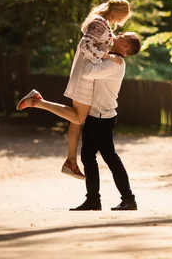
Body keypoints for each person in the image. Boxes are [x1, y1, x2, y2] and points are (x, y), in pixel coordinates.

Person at [16, 0, 131, 180]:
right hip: (85, 74)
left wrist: (105, 56)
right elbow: (85, 45)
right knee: (79, 117)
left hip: (87, 73)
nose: (120, 22)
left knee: (76, 120)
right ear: (116, 12)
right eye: (121, 17)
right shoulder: (99, 23)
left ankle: (71, 162)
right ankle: (37, 102)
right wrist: (107, 56)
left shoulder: (101, 21)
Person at [69, 32, 141, 211]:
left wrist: (90, 52)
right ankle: (93, 200)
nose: (120, 33)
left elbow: (87, 73)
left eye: (124, 36)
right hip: (95, 116)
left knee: (110, 158)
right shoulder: (110, 58)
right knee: (88, 157)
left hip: (102, 118)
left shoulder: (115, 63)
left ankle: (128, 199)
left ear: (125, 47)